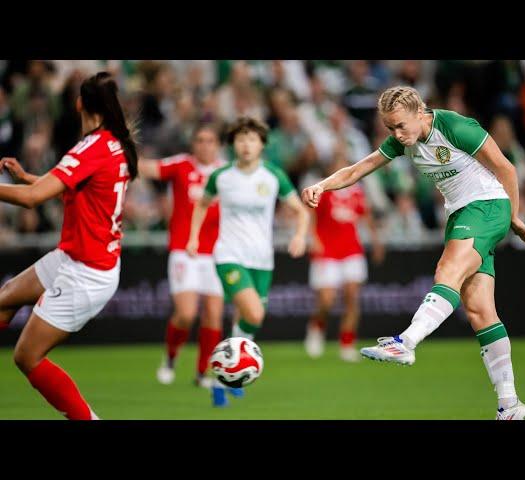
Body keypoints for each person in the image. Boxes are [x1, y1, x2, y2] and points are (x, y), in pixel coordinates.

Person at [302, 86, 525, 420]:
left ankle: (406, 342)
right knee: (479, 310)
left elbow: (506, 168)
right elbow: (357, 169)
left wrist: (512, 216)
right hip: (461, 214)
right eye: (389, 128)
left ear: (419, 111)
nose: (396, 134)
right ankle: (511, 405)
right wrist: (321, 186)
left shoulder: (455, 126)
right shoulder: (402, 141)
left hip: (486, 206)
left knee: (447, 270)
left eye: (400, 125)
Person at [0, 72, 137, 420]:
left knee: (26, 357)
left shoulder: (91, 147)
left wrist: (30, 186)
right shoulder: (112, 143)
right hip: (75, 256)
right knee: (6, 298)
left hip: (86, 272)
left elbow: (33, 200)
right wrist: (31, 178)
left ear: (78, 103)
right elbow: (73, 187)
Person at [187, 116, 309, 406]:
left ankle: (223, 378)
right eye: (241, 139)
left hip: (262, 260)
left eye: (252, 139)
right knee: (254, 314)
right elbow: (201, 205)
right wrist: (193, 238)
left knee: (247, 320)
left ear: (262, 145)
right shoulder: (221, 176)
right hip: (228, 254)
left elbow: (301, 211)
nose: (246, 144)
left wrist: (300, 236)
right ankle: (225, 371)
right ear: (233, 145)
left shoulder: (273, 175)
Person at [137, 124, 226, 388]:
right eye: (200, 139)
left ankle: (202, 374)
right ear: (193, 144)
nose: (204, 145)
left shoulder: (226, 173)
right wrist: (119, 151)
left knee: (213, 315)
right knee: (186, 313)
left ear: (217, 145)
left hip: (217, 253)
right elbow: (148, 168)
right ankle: (170, 357)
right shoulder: (181, 166)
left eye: (210, 140)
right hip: (184, 250)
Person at [304, 149, 384, 362]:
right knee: (327, 300)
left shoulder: (357, 192)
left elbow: (365, 217)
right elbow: (310, 215)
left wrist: (376, 242)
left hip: (352, 250)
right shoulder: (324, 190)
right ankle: (316, 327)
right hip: (327, 251)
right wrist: (313, 239)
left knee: (351, 298)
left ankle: (347, 343)